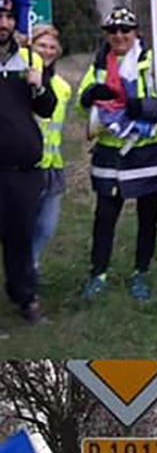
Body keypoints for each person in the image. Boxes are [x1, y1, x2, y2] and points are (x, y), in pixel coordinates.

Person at [77, 6, 157, 303]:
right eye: (113, 31)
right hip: (111, 152)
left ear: (137, 32)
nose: (119, 36)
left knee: (148, 218)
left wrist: (143, 109)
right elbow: (85, 105)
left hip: (150, 152)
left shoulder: (156, 61)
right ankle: (98, 274)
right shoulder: (99, 61)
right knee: (105, 216)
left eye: (125, 30)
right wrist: (89, 97)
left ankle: (140, 274)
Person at [0, 0, 56, 324]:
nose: (3, 23)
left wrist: (39, 85)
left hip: (22, 172)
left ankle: (26, 298)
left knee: (20, 238)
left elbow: (46, 109)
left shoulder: (29, 60)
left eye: (8, 17)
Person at [26, 24, 69, 275]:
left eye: (52, 47)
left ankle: (30, 261)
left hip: (53, 164)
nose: (47, 51)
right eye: (42, 45)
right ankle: (26, 268)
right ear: (31, 47)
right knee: (22, 224)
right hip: (26, 165)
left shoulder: (63, 86)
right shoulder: (19, 79)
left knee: (47, 226)